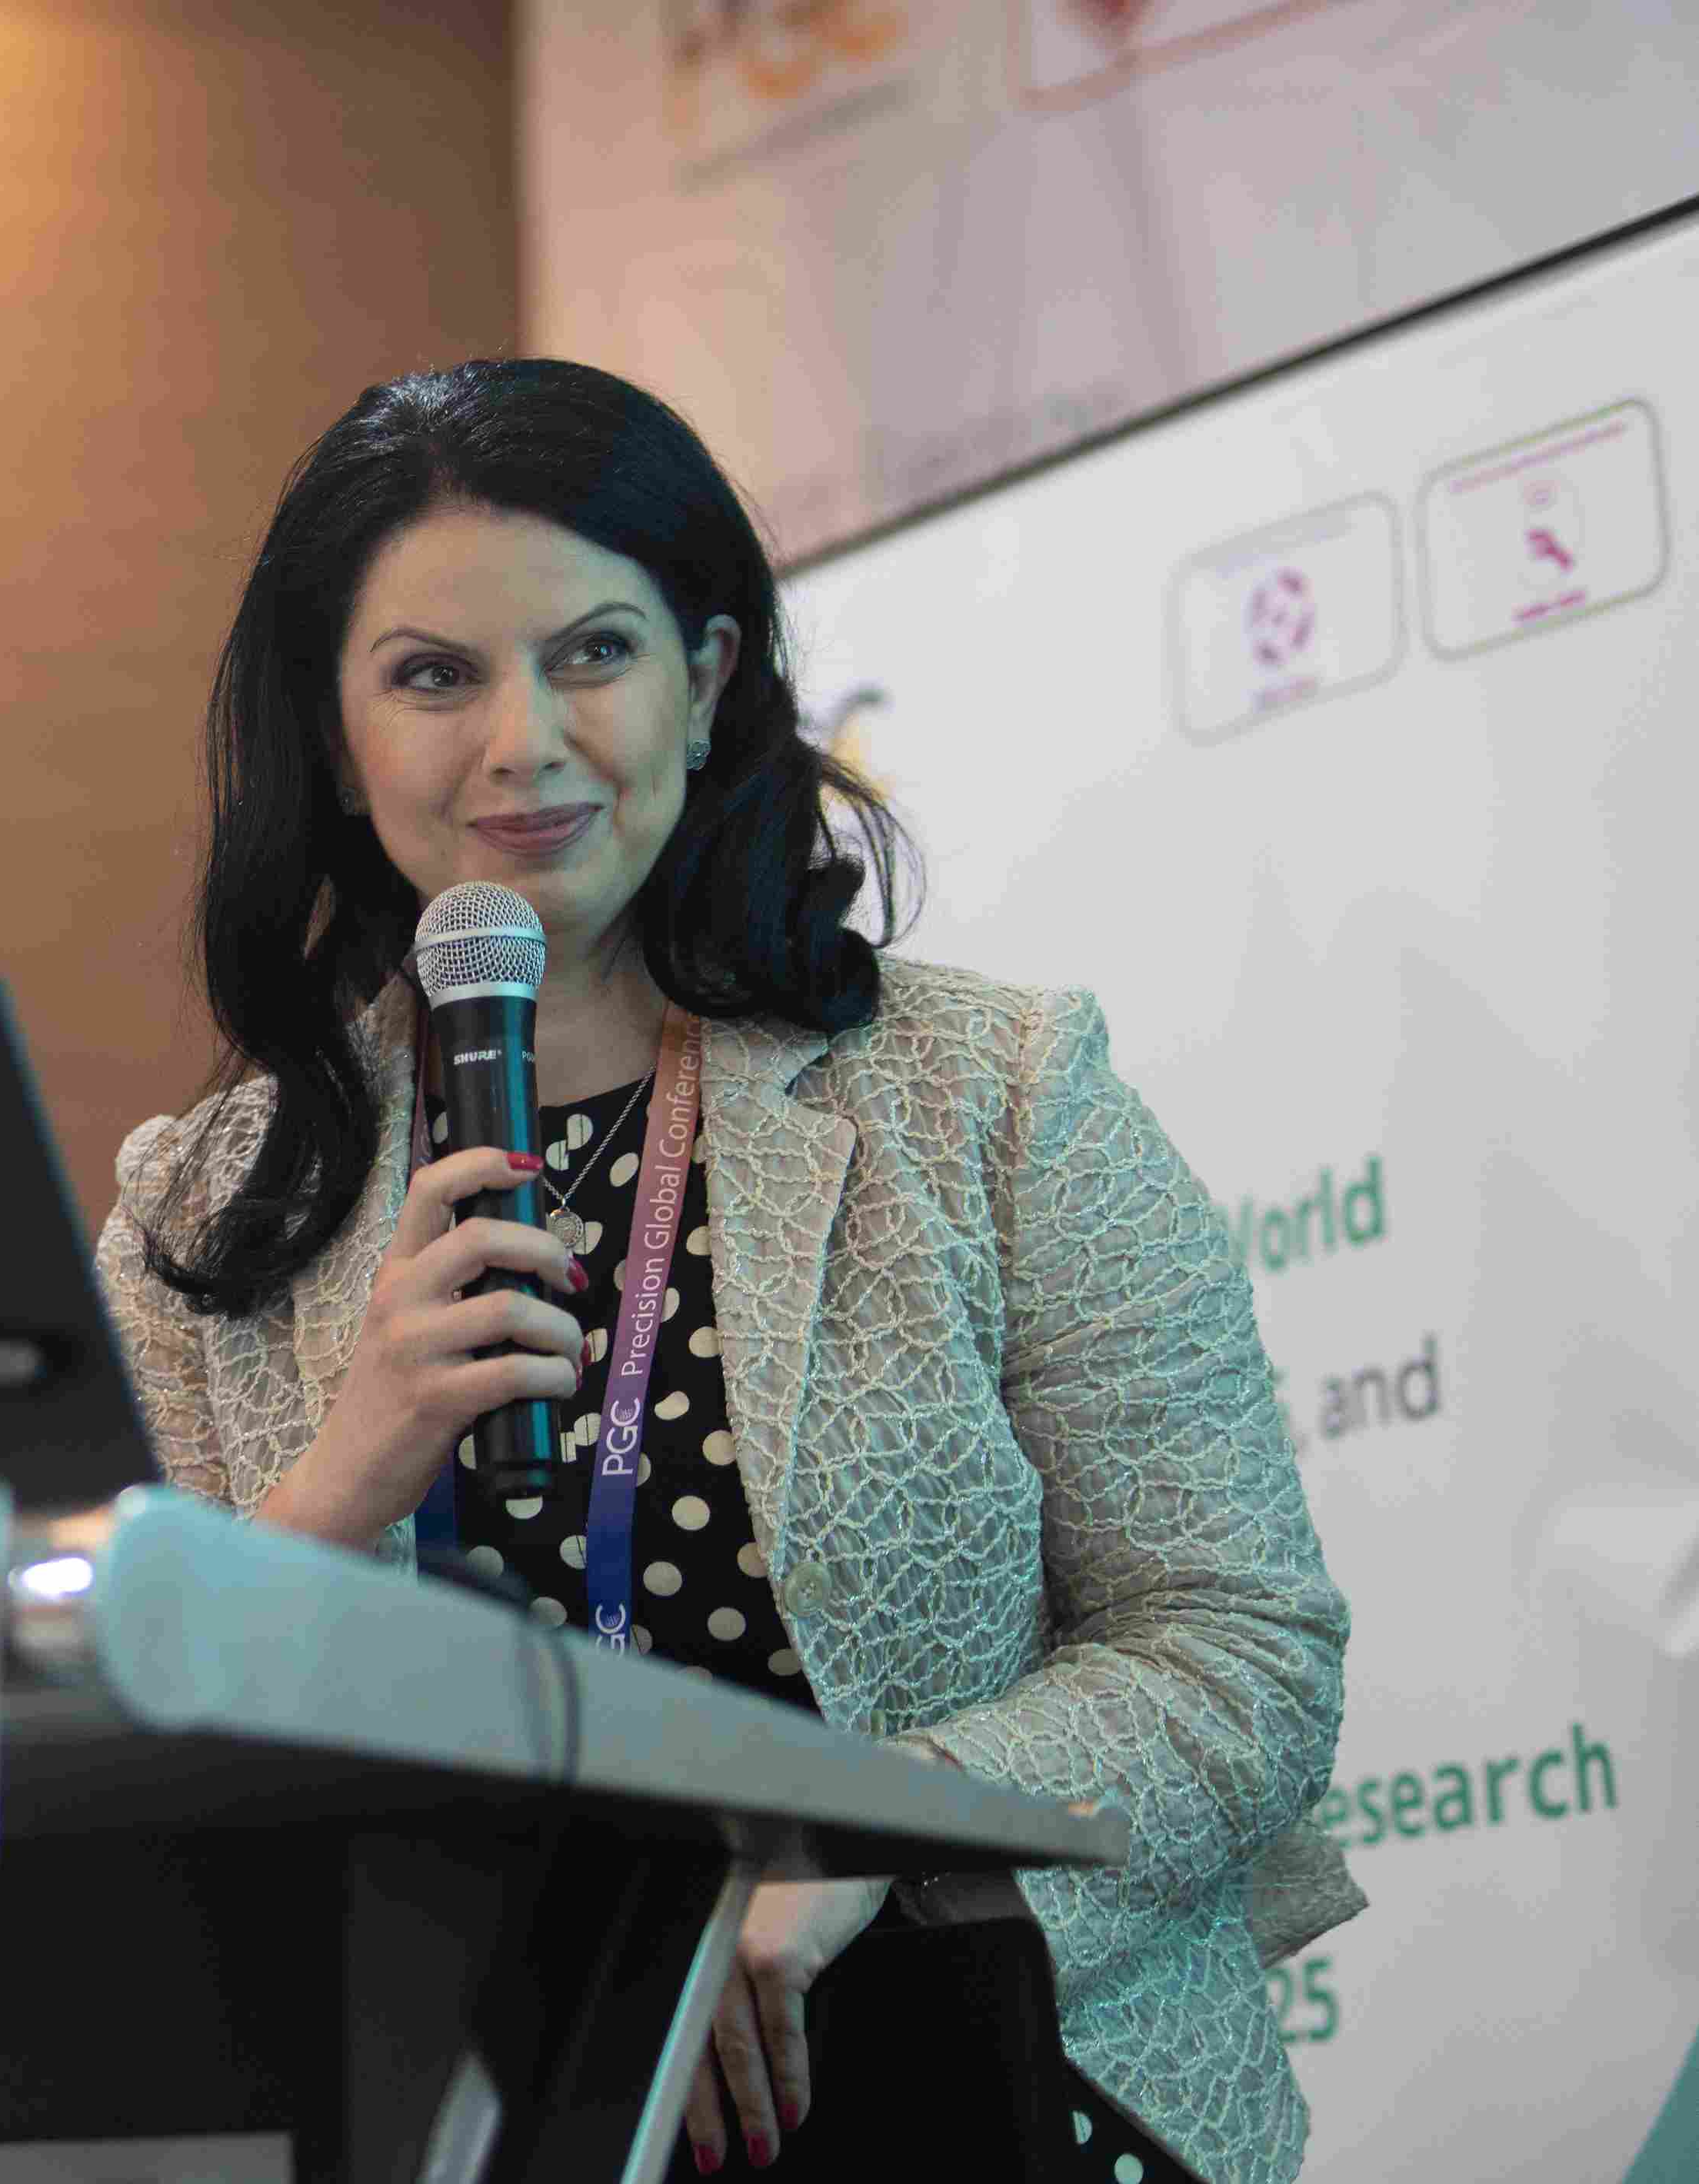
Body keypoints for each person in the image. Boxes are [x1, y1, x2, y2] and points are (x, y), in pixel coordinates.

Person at [92, 359, 1361, 2182]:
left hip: (964, 2096)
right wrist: (347, 1476)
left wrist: (865, 1836)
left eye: (593, 654)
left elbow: (1240, 1651)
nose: (523, 740)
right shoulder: (203, 1212)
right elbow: (130, 1781)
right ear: (333, 735)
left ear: (705, 680)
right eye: (435, 675)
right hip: (462, 2125)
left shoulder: (995, 1097)